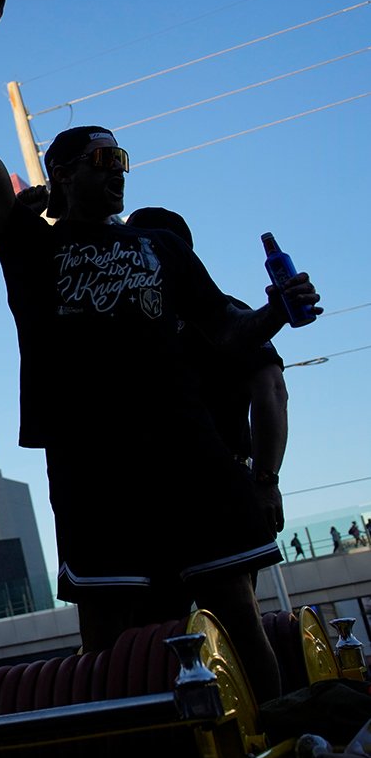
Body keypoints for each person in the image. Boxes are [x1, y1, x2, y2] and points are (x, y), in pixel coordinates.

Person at [0, 0, 322, 701]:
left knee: (237, 611)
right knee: (112, 636)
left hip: (188, 448)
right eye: (100, 155)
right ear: (60, 172)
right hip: (95, 459)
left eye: (122, 156)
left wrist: (277, 311)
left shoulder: (160, 244)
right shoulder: (30, 247)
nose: (117, 166)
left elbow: (227, 332)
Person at [126, 208, 290, 534]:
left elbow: (270, 388)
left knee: (223, 583)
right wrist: (265, 480)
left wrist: (265, 481)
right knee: (231, 583)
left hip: (181, 487)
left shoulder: (124, 319)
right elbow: (272, 389)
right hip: (192, 485)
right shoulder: (225, 314)